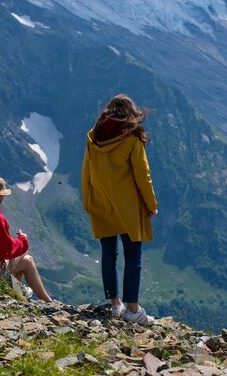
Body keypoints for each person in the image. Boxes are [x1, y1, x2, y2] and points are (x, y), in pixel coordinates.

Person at [81, 94, 159, 325]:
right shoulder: (132, 140)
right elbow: (142, 176)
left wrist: (87, 201)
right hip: (128, 207)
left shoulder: (93, 139)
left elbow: (86, 171)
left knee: (109, 254)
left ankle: (115, 304)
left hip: (101, 202)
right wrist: (151, 205)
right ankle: (133, 310)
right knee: (133, 256)